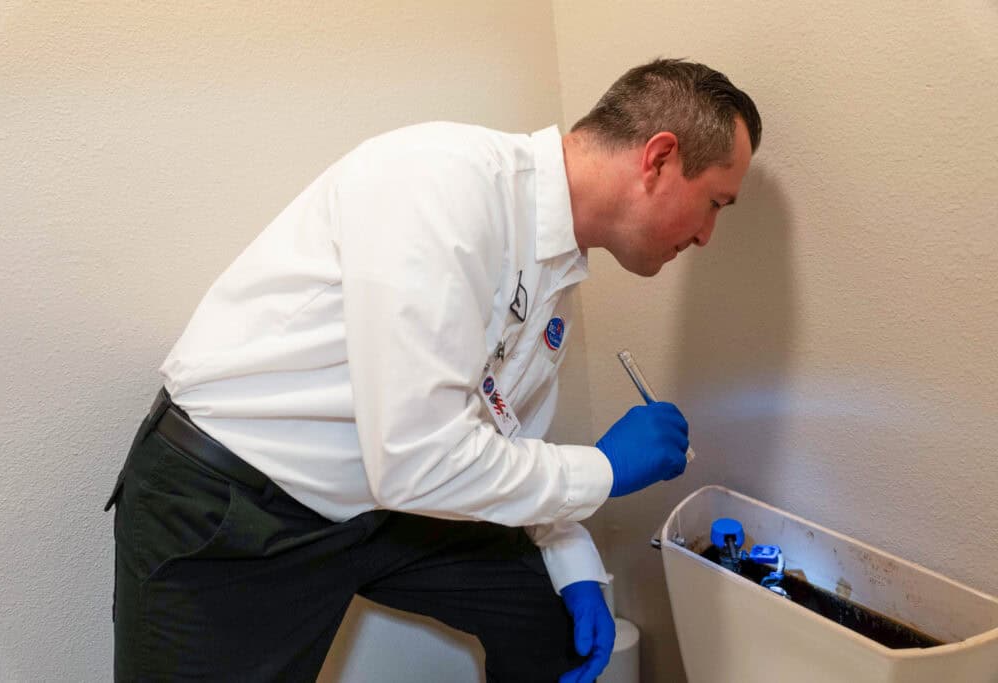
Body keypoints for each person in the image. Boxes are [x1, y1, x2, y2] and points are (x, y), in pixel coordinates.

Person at [105, 57, 760, 682]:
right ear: (660, 157)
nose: (706, 237)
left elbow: (498, 442)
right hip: (233, 502)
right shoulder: (444, 184)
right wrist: (606, 469)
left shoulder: (554, 267)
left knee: (544, 616)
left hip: (379, 496)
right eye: (715, 204)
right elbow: (420, 459)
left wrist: (572, 558)